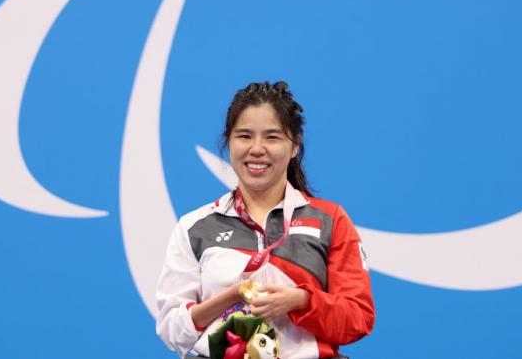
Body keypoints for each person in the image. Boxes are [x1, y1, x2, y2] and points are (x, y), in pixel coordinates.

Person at [156, 81, 374, 358]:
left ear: (294, 145)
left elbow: (357, 319)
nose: (257, 149)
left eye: (272, 137)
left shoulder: (330, 220)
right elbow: (172, 331)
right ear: (228, 141)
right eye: (244, 136)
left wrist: (302, 300)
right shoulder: (194, 227)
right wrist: (231, 296)